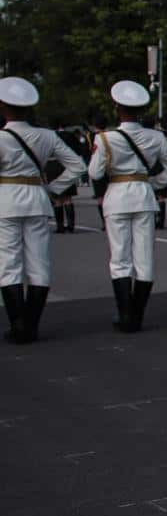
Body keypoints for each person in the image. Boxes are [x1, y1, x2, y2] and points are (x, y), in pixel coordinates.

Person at [88, 80, 167, 331]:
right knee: (144, 257)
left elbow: (95, 173)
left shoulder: (106, 138)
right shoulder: (156, 136)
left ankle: (125, 313)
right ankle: (137, 314)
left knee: (120, 258)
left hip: (117, 195)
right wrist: (153, 181)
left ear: (117, 109)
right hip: (144, 195)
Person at [1, 76, 85, 343]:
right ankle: (32, 325)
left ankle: (18, 325)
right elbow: (78, 166)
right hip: (38, 199)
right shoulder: (47, 135)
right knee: (39, 265)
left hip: (6, 202)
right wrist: (53, 189)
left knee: (9, 265)